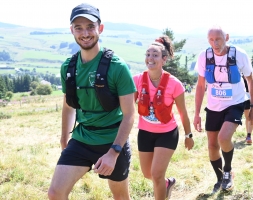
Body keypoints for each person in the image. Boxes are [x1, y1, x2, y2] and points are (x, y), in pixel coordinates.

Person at [48, 3, 136, 200]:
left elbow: (129, 115)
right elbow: (69, 105)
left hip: (113, 141)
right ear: (72, 30)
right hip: (82, 139)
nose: (85, 33)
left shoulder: (117, 67)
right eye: (78, 28)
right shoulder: (68, 68)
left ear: (100, 28)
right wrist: (64, 139)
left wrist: (113, 153)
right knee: (55, 193)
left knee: (120, 196)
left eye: (90, 26)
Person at [193, 25, 253, 193]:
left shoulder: (239, 55)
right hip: (213, 107)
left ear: (227, 37)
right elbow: (201, 86)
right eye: (211, 40)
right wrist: (197, 113)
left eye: (218, 39)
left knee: (223, 138)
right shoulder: (204, 57)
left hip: (235, 103)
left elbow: (251, 81)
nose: (215, 43)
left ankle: (228, 170)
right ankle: (220, 178)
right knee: (212, 145)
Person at [133, 36, 194, 200]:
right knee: (148, 174)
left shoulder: (175, 84)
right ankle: (167, 184)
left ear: (164, 59)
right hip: (145, 133)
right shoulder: (137, 80)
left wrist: (189, 136)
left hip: (167, 133)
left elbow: (183, 113)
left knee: (156, 174)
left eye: (155, 55)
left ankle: (161, 188)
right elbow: (126, 107)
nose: (150, 58)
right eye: (148, 54)